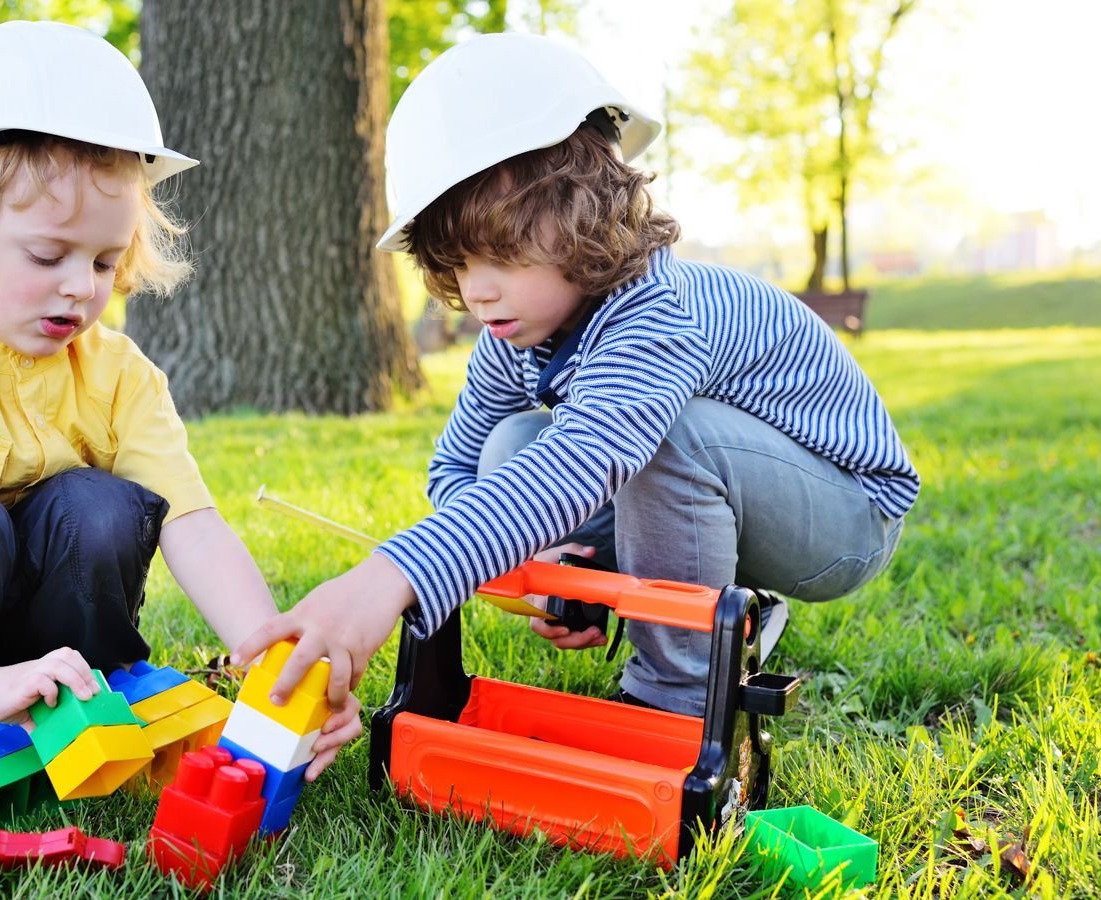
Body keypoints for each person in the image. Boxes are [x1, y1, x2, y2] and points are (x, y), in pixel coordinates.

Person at [236, 33, 918, 719]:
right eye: (456, 263)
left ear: (586, 218)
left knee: (668, 437)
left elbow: (583, 463)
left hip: (846, 517)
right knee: (510, 447)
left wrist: (396, 574)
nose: (477, 293)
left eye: (498, 253)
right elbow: (460, 467)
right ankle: (730, 615)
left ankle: (681, 693)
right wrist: (563, 570)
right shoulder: (517, 326)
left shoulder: (657, 317)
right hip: (735, 489)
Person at [0, 21, 358, 806]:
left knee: (101, 505)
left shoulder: (118, 372)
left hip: (40, 634)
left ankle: (73, 712)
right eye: (47, 255)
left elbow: (191, 522)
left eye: (103, 259)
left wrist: (268, 657)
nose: (81, 288)